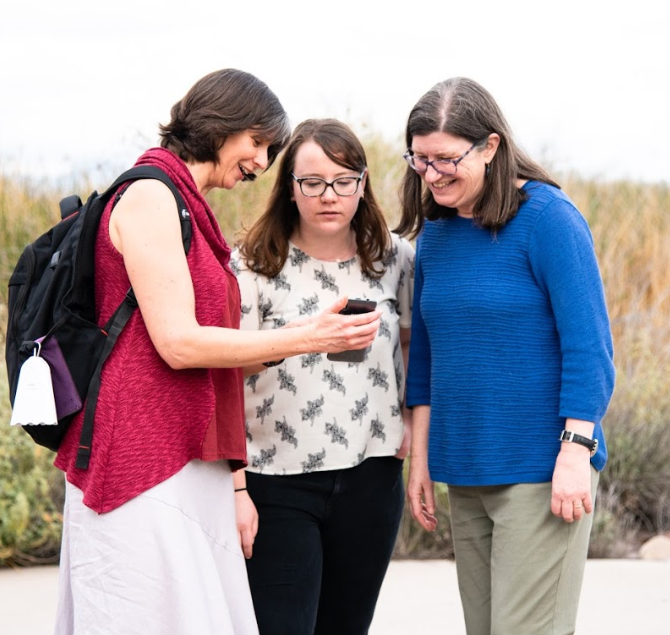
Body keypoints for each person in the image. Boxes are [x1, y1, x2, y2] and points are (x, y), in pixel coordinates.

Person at [52, 71, 381, 635]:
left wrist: (301, 338)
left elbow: (210, 355)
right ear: (221, 122)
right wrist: (308, 337)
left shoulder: (187, 203)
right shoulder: (152, 194)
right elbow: (179, 344)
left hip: (185, 454)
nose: (260, 161)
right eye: (257, 142)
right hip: (140, 457)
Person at [397, 78, 615, 635]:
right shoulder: (437, 234)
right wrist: (420, 460)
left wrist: (575, 450)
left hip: (542, 472)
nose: (432, 172)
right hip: (466, 470)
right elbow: (424, 357)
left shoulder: (547, 219)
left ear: (490, 147)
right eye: (420, 159)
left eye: (446, 158)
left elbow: (589, 348)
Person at [231, 118, 415, 635]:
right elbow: (227, 369)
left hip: (371, 478)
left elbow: (410, 343)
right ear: (289, 188)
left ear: (363, 184)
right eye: (312, 182)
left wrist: (407, 419)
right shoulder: (251, 264)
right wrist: (236, 486)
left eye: (343, 181)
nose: (328, 195)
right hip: (276, 479)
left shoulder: (394, 258)